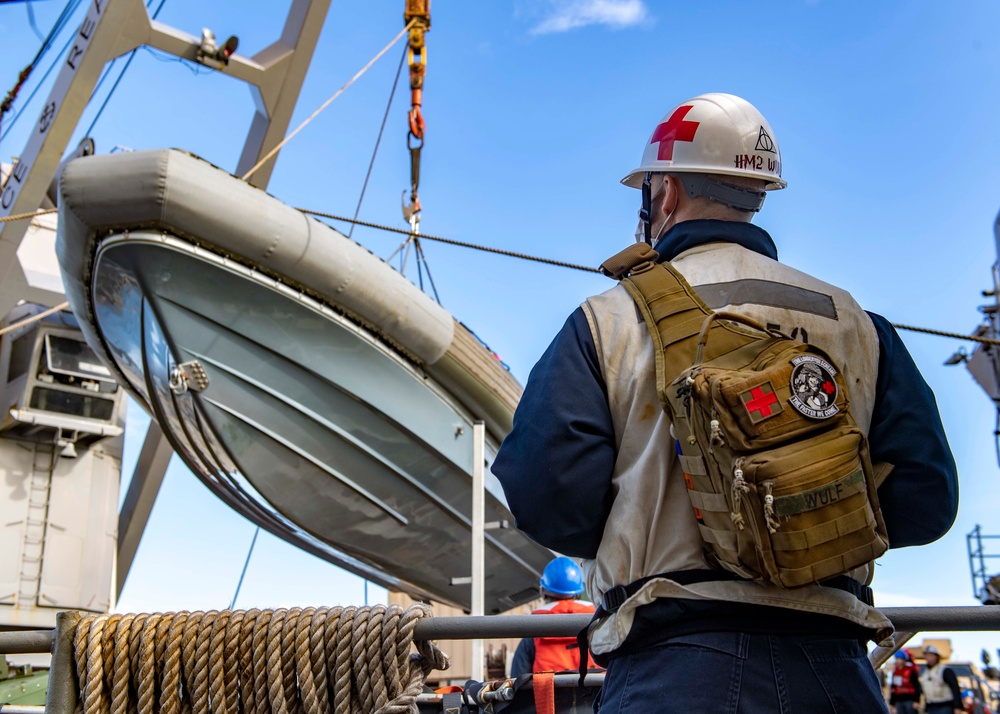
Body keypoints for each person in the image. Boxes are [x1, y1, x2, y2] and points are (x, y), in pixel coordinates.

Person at [492, 93, 959, 712]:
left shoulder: (606, 320)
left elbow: (545, 493)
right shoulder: (856, 323)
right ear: (757, 192)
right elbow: (926, 501)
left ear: (665, 193)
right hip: (837, 669)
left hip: (673, 667)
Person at [509, 556, 599, 678]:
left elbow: (518, 684)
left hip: (548, 696)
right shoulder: (599, 625)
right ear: (577, 594)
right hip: (599, 696)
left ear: (543, 592)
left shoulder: (531, 635)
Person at [920, 645, 965, 714]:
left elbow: (955, 688)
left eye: (930, 655)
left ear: (936, 657)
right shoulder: (925, 673)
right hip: (932, 706)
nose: (928, 658)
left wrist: (957, 706)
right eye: (926, 655)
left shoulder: (944, 670)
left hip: (945, 705)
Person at [889, 649, 922, 714]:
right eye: (897, 659)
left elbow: (917, 686)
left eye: (900, 659)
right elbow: (894, 688)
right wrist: (892, 703)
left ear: (904, 660)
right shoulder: (895, 672)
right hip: (899, 701)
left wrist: (916, 700)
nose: (898, 661)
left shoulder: (911, 671)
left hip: (910, 700)